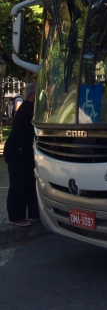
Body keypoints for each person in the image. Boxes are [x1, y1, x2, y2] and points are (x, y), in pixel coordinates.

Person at [5, 82, 39, 227]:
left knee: (29, 182)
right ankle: (16, 217)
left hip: (23, 150)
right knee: (19, 183)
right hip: (19, 151)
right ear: (32, 95)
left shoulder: (28, 108)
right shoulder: (29, 108)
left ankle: (33, 213)